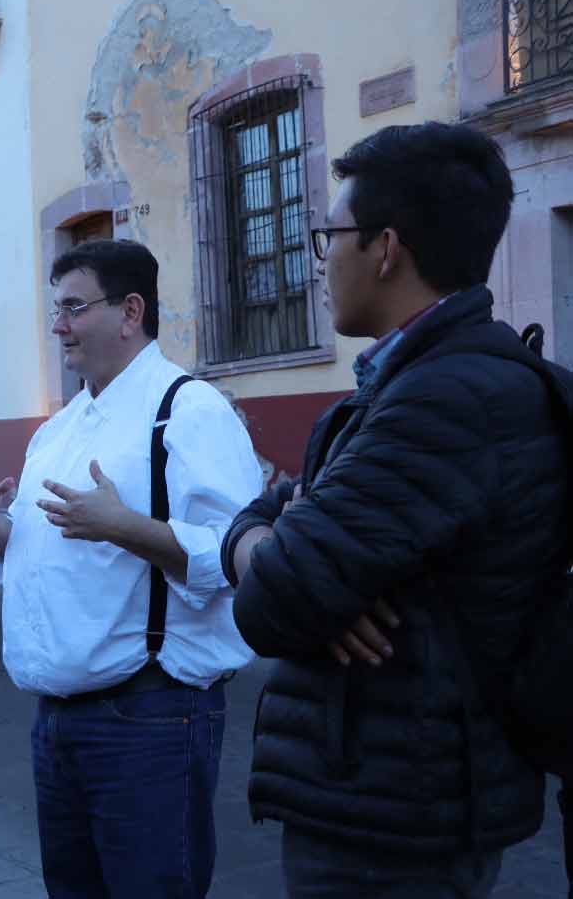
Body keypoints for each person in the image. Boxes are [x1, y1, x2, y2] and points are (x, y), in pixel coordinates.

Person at [221, 122, 563, 898]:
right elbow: (270, 516)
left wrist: (279, 557)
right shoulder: (417, 380)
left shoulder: (447, 397)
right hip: (393, 791)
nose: (320, 262)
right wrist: (272, 540)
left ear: (384, 249)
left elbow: (272, 601)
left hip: (397, 817)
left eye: (328, 236)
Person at [0, 240, 263, 898]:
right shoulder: (60, 430)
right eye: (56, 308)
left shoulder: (188, 411)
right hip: (60, 724)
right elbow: (55, 561)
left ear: (130, 311)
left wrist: (124, 525)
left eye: (73, 307)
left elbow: (239, 554)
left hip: (151, 717)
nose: (58, 325)